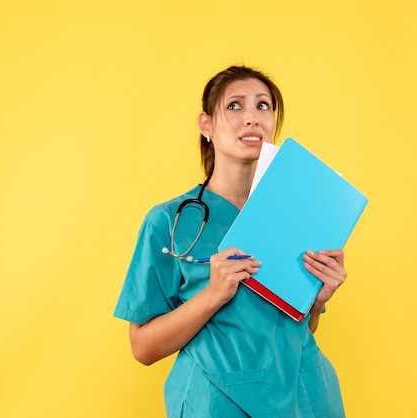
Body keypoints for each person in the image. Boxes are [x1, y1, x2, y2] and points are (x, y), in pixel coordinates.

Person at [113, 65, 347, 417]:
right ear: (206, 125)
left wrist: (317, 299)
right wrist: (213, 294)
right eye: (235, 106)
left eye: (263, 106)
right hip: (217, 401)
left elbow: (296, 329)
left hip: (306, 397)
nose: (251, 118)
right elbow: (142, 348)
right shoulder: (169, 221)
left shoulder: (299, 213)